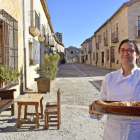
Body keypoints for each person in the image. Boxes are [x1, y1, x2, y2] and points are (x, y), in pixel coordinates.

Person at [89, 38, 140, 140]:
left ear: (138, 55)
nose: (125, 53)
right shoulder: (109, 77)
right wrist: (95, 110)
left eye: (130, 50)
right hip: (112, 132)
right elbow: (103, 103)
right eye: (122, 50)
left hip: (135, 131)